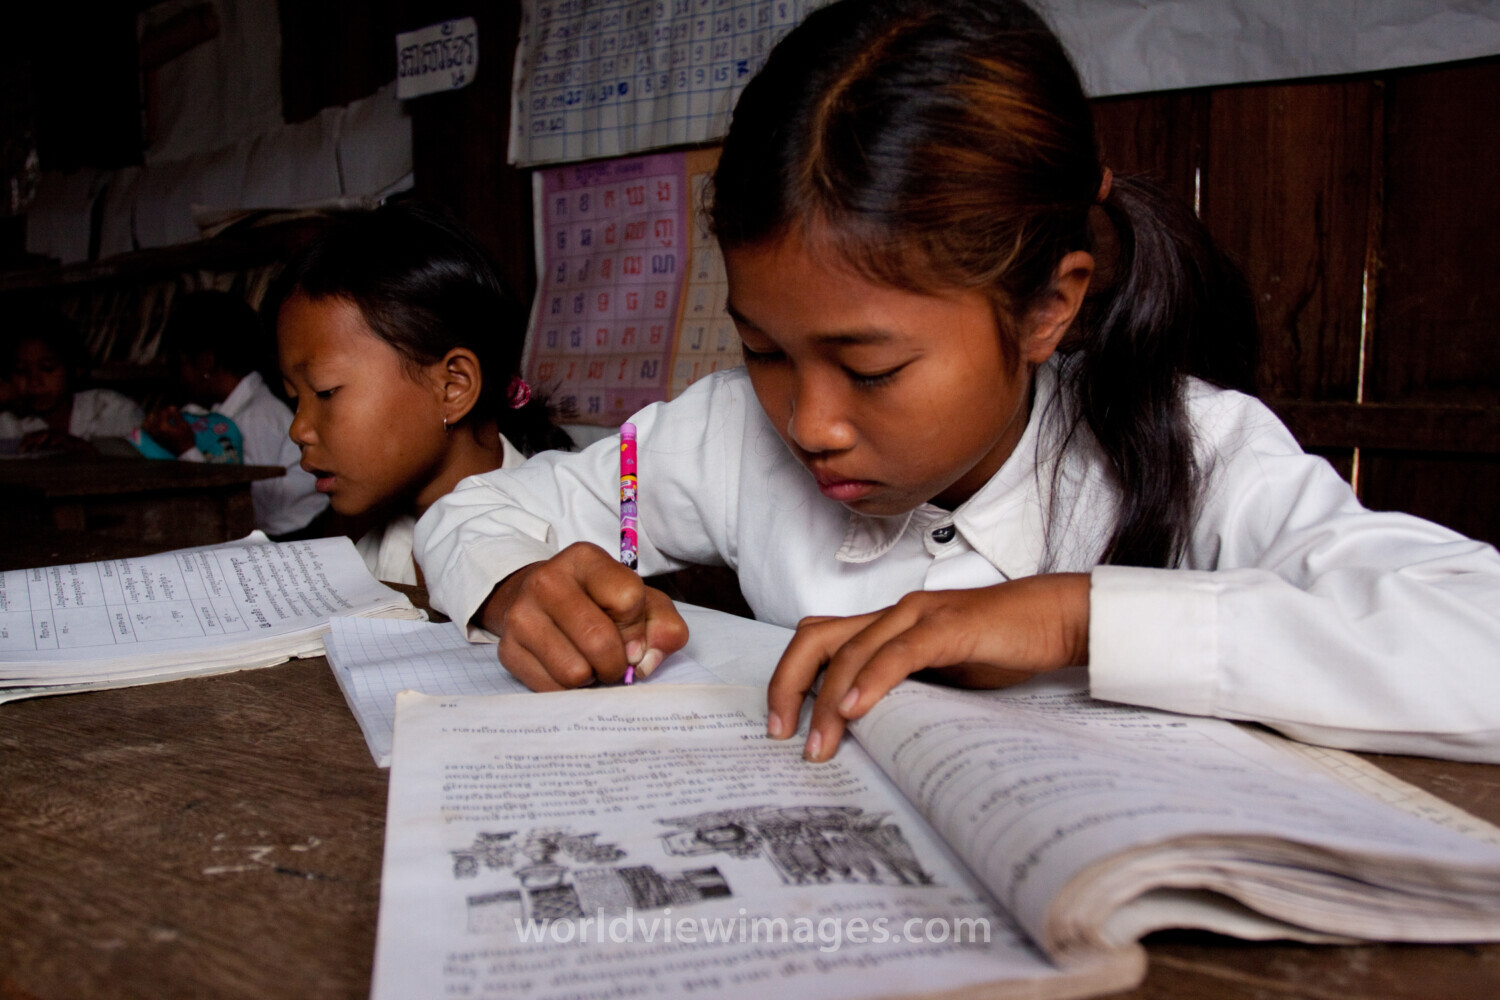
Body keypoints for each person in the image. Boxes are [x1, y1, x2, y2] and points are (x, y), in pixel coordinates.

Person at [415, 0, 1500, 764]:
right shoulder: (720, 438)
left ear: (1048, 307)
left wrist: (1074, 618)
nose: (809, 421)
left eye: (873, 366)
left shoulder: (1193, 449)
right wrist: (516, 583)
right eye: (764, 348)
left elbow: (1477, 636)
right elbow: (482, 506)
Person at [271, 202, 571, 584]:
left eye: (326, 392)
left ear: (453, 387)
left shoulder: (567, 553)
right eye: (294, 398)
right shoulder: (366, 549)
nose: (298, 430)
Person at [144, 290, 328, 538]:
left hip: (291, 538)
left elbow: (242, 506)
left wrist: (185, 449)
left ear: (207, 363)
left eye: (182, 363)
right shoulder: (223, 412)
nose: (179, 376)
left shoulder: (256, 417)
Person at [0, 312, 143, 452]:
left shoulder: (112, 410)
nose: (34, 382)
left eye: (48, 368)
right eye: (20, 371)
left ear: (76, 369)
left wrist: (83, 449)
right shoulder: (8, 422)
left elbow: (146, 462)